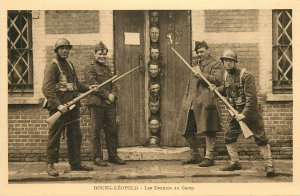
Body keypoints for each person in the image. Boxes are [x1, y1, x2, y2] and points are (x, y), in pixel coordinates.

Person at [217, 49, 274, 177]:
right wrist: (217, 90)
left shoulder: (246, 76)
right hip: (234, 112)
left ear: (235, 62)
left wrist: (244, 114)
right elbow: (227, 90)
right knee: (229, 135)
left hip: (250, 112)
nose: (228, 63)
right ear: (223, 62)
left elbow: (252, 99)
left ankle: (269, 164)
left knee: (260, 137)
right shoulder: (225, 75)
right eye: (225, 61)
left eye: (230, 61)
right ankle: (235, 162)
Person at [42, 38, 94, 176]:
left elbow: (76, 85)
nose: (65, 50)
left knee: (76, 135)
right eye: (62, 48)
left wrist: (90, 87)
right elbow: (47, 89)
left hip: (72, 107)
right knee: (54, 137)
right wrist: (58, 106)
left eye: (67, 48)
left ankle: (76, 163)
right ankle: (50, 165)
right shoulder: (52, 65)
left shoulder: (70, 65)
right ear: (57, 50)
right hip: (59, 108)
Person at [176, 41, 222, 167]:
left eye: (202, 51)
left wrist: (202, 74)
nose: (200, 54)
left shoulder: (215, 64)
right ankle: (195, 154)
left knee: (209, 129)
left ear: (208, 50)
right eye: (198, 52)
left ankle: (209, 156)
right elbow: (190, 84)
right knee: (186, 129)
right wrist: (186, 100)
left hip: (207, 102)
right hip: (192, 102)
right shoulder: (195, 65)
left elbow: (217, 80)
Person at [84, 41, 126, 166]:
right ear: (94, 54)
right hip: (97, 105)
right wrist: (108, 95)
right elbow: (95, 86)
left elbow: (114, 85)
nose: (102, 56)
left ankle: (113, 156)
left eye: (104, 54)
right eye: (99, 54)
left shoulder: (108, 69)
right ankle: (97, 157)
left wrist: (113, 96)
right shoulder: (89, 68)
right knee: (96, 132)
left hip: (109, 105)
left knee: (112, 130)